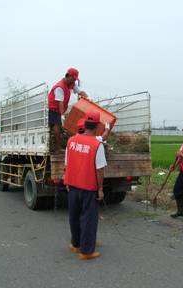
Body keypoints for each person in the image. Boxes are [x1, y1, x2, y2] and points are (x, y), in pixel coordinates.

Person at [64, 111, 107, 260]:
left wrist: (67, 181)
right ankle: (87, 251)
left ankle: (75, 244)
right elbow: (100, 169)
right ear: (96, 126)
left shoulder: (71, 141)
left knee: (74, 216)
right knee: (88, 218)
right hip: (88, 188)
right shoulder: (97, 144)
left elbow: (67, 163)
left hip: (72, 186)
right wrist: (100, 189)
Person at [48, 68, 88, 152]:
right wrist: (62, 116)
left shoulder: (71, 84)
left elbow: (79, 92)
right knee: (57, 125)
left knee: (62, 125)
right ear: (68, 76)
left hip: (61, 109)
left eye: (75, 79)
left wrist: (85, 96)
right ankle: (57, 148)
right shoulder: (59, 87)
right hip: (53, 109)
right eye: (73, 78)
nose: (74, 80)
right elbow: (60, 103)